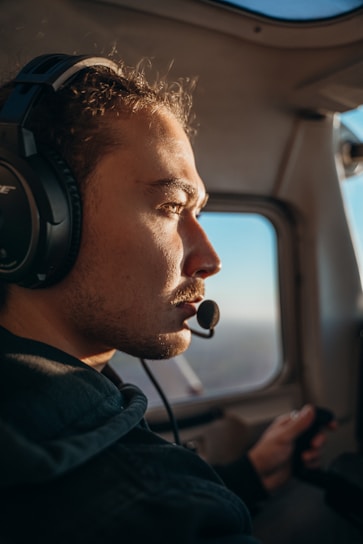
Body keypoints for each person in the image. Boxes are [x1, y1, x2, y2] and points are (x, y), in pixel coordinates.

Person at [0, 53, 333, 544]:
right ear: (28, 215)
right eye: (171, 206)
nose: (210, 258)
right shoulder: (156, 511)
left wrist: (248, 476)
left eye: (196, 211)